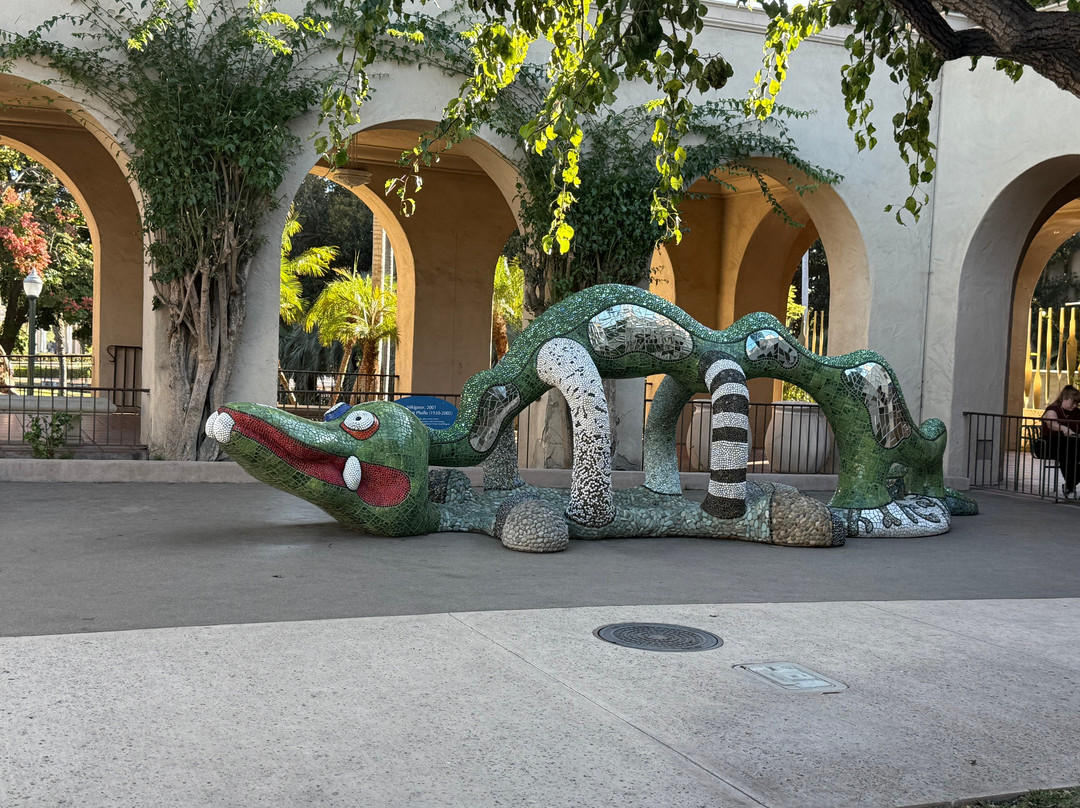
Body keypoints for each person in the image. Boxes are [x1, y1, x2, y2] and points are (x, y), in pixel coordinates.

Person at [1041, 385, 1080, 498]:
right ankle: (1069, 487)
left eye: (1077, 403)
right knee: (1067, 452)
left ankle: (1069, 486)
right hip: (1050, 444)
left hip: (1072, 444)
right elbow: (1051, 423)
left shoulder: (1077, 412)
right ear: (1064, 398)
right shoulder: (1053, 410)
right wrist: (1063, 428)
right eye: (1073, 402)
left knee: (1070, 450)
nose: (1075, 405)